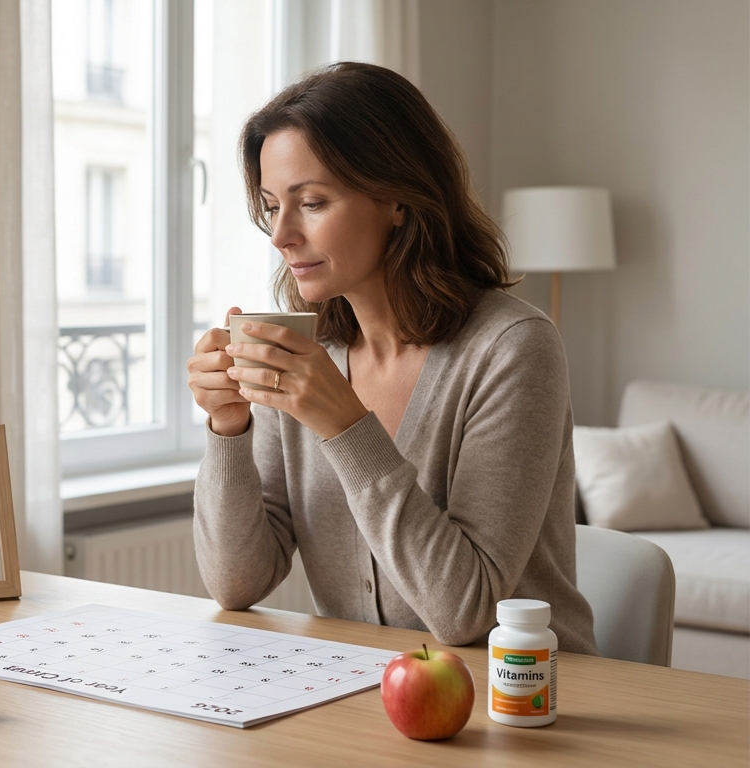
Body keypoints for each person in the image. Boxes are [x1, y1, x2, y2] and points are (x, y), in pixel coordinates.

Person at [187, 62, 597, 653]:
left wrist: (344, 425)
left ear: (398, 199)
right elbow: (236, 584)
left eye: (312, 202)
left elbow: (466, 611)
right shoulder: (304, 353)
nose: (281, 235)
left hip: (522, 691)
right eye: (273, 206)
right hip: (366, 687)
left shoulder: (512, 348)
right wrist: (228, 429)